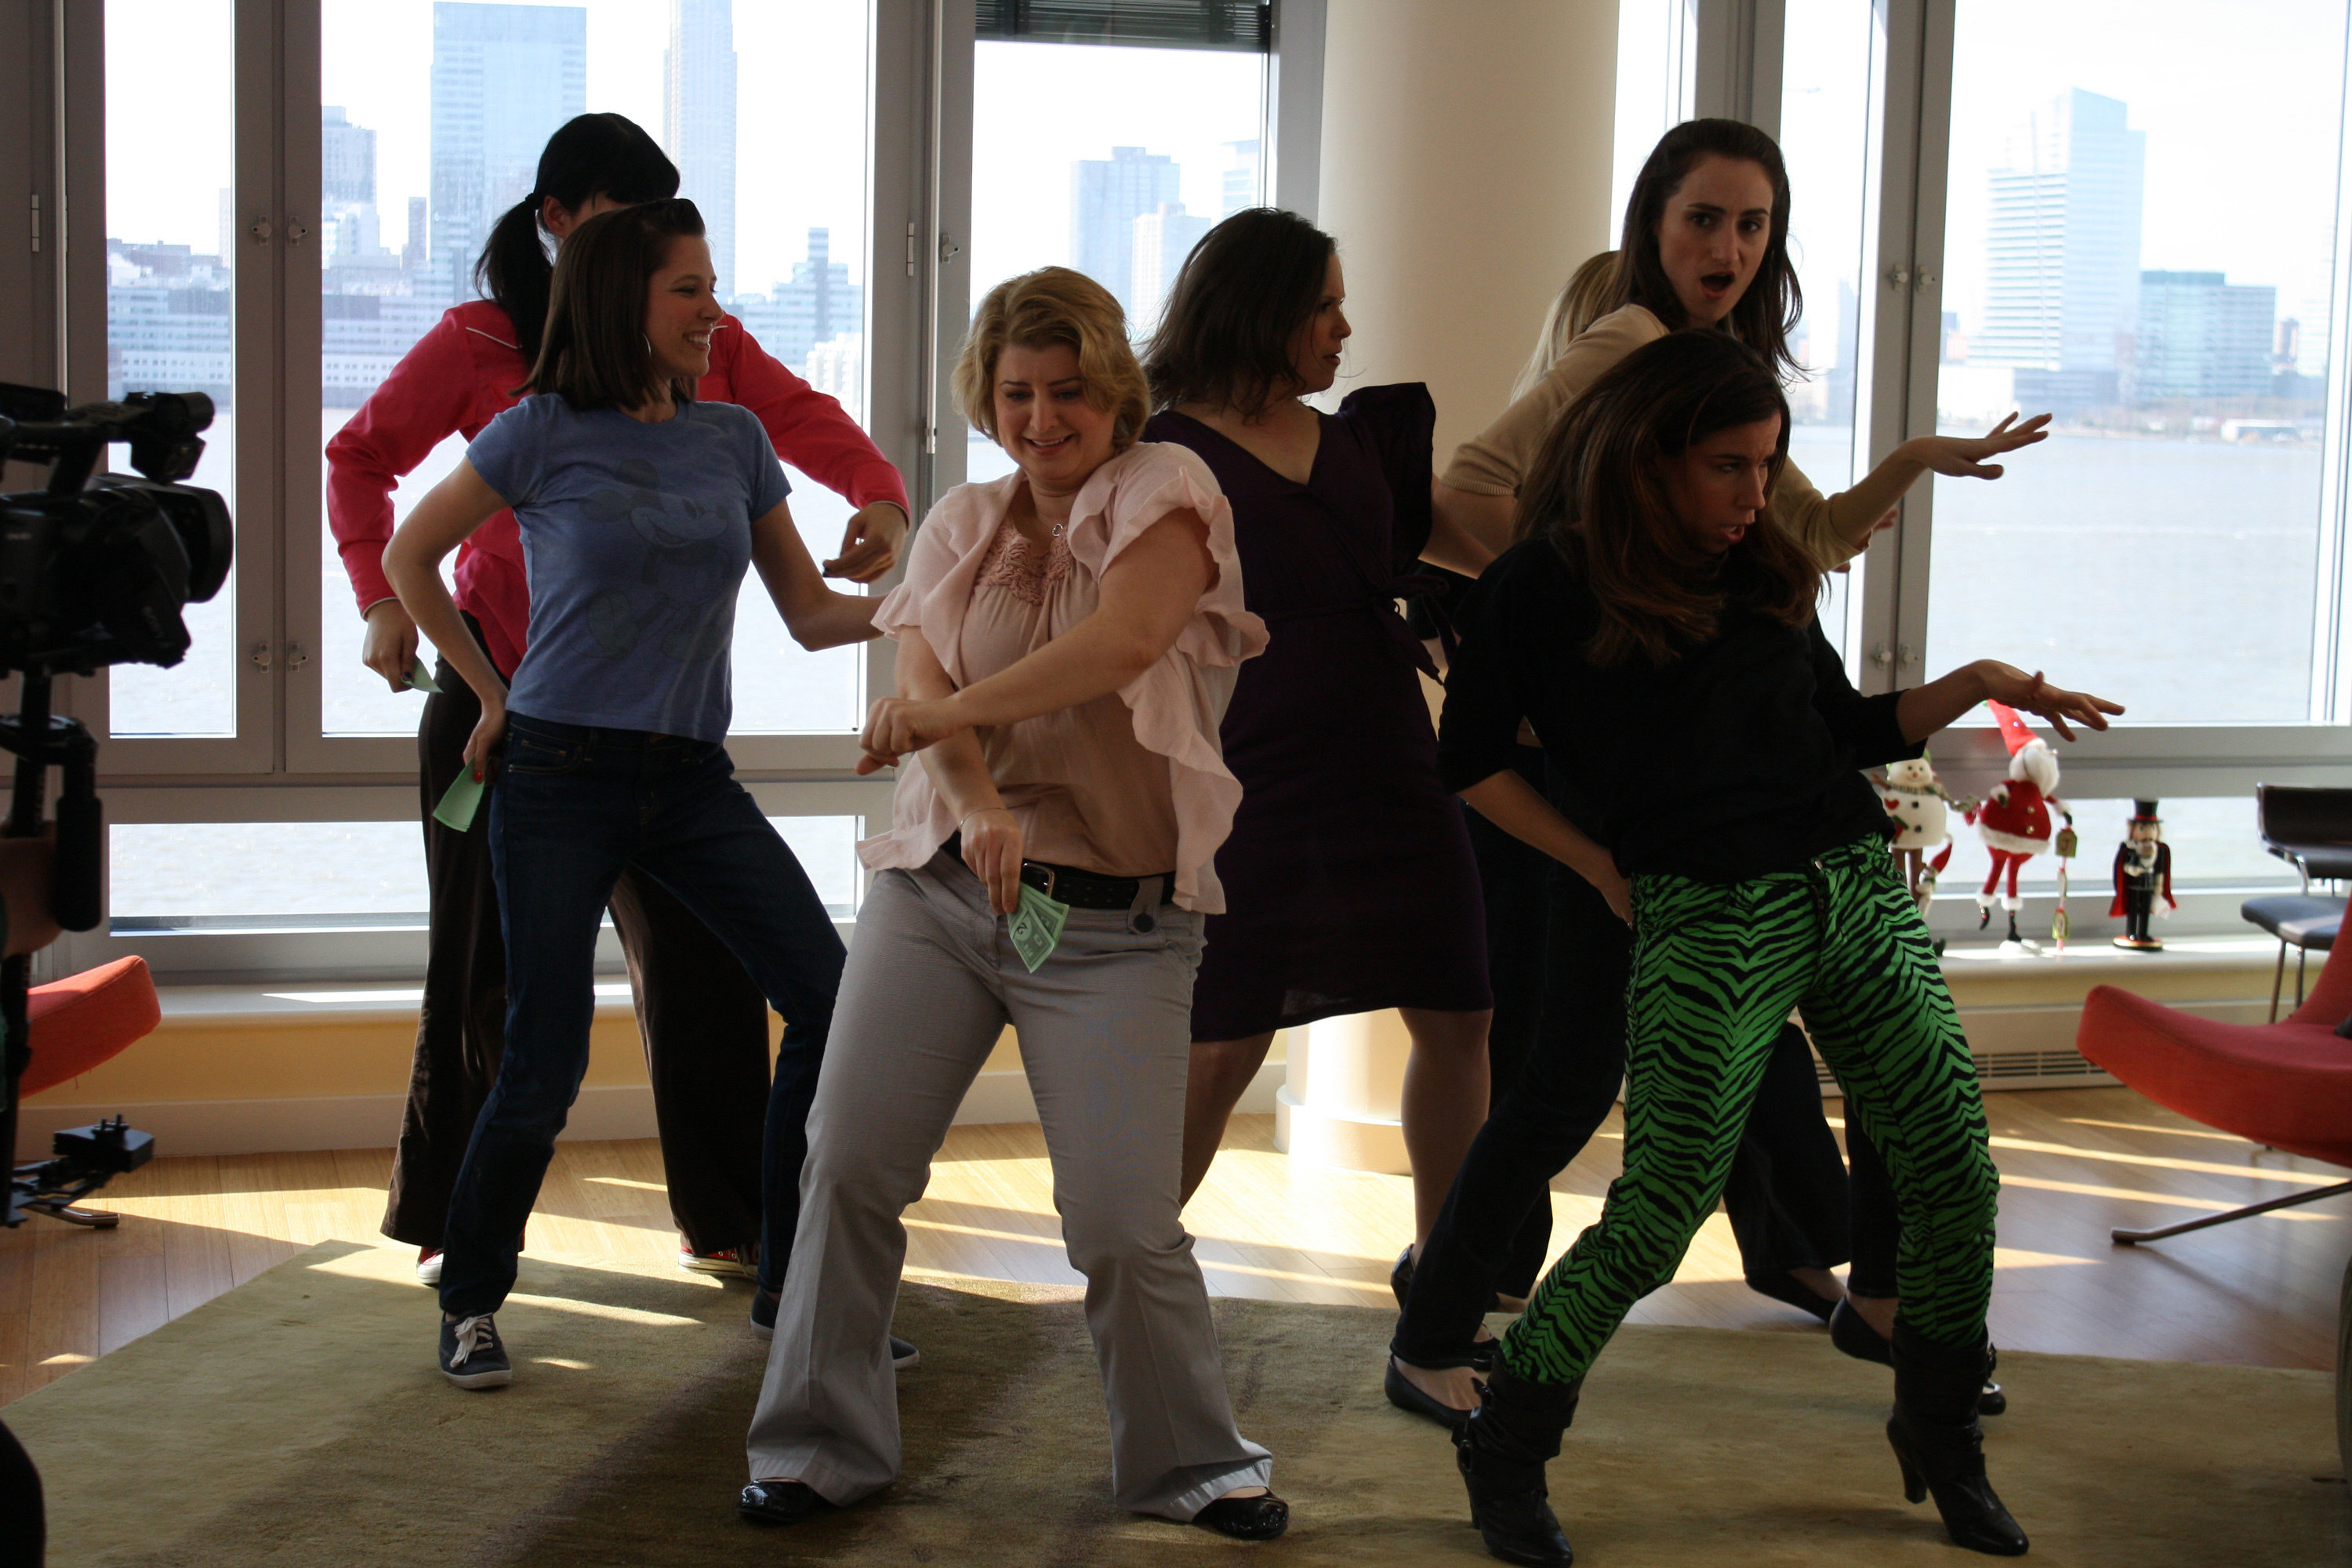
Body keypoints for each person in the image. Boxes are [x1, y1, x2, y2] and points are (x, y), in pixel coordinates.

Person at [1391, 118, 2049, 1421]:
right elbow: (1463, 493)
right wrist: (1587, 588)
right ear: (1653, 223)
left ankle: (1879, 1301)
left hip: (1736, 797)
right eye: (1704, 219)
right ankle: (1437, 1336)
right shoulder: (1632, 345)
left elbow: (1803, 546)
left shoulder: (1712, 369)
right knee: (1571, 1081)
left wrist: (1915, 462)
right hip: (1623, 797)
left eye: (1753, 226)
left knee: (1860, 1061)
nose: (1729, 248)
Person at [1439, 328, 2120, 1563]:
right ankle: (1509, 1439)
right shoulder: (1539, 584)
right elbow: (1471, 761)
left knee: (1955, 1173)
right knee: (1660, 1211)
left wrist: (1974, 678)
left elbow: (1847, 728)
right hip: (1709, 911)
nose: (1758, 495)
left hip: (1854, 885)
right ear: (1648, 456)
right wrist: (1597, 862)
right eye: (1730, 466)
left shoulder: (1760, 566)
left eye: (1770, 462)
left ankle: (1939, 1435)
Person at [735, 267, 1286, 1541]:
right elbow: (921, 663)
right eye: (1019, 392)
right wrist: (976, 801)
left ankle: (1190, 1463)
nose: (1045, 416)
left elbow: (1122, 645)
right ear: (988, 401)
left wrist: (943, 717)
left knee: (1118, 1221)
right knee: (850, 1162)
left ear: (1115, 393)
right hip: (942, 899)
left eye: (1070, 390)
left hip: (1115, 927)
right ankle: (819, 1447)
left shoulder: (1166, 491)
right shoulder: (959, 522)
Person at [325, 113, 909, 1294]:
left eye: (693, 261)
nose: (700, 298)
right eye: (641, 239)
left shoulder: (710, 379)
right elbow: (364, 464)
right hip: (508, 719)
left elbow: (803, 430)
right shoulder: (490, 352)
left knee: (710, 977)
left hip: (674, 751)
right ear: (565, 227)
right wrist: (386, 604)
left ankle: (741, 1222)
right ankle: (461, 1239)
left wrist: (894, 514)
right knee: (492, 993)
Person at [1140, 209, 1495, 1259]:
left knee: (1459, 1010)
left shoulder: (1355, 441)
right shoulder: (1164, 451)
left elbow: (1475, 547)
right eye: (1324, 305)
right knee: (1222, 1040)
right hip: (1254, 766)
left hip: (1391, 753)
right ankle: (1133, 1261)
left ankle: (1445, 1271)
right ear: (1263, 311)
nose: (1344, 327)